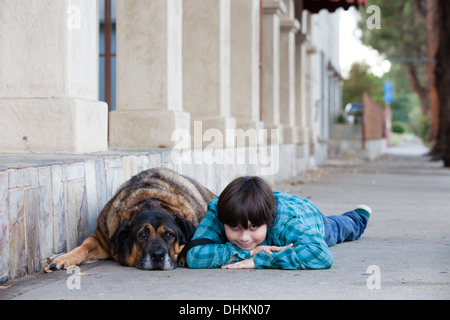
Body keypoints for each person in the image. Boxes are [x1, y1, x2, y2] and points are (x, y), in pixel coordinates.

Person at [186, 176, 371, 270]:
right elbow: (194, 255)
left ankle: (359, 217)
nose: (243, 237)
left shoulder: (285, 223)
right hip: (270, 203)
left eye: (253, 227)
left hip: (308, 216)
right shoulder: (221, 209)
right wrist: (249, 252)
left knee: (339, 228)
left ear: (267, 221)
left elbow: (321, 255)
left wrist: (260, 260)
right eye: (234, 227)